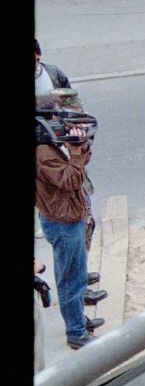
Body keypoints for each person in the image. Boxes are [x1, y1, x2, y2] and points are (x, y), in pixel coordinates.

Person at [36, 101, 100, 350]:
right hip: (62, 222)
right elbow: (72, 178)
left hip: (67, 217)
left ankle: (79, 322)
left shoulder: (49, 143)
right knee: (70, 280)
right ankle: (75, 332)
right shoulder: (42, 152)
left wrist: (80, 145)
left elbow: (80, 166)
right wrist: (75, 150)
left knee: (76, 275)